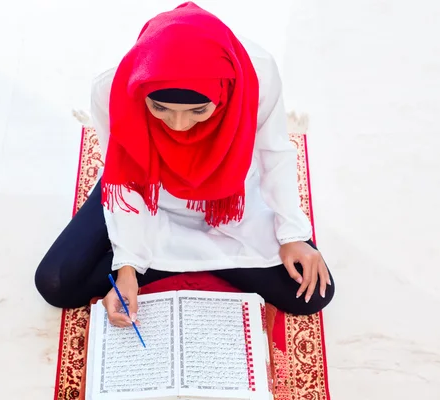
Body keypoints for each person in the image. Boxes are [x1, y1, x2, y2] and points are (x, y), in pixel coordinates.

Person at [35, 2, 335, 326]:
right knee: (56, 284)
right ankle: (174, 254)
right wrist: (127, 267)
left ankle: (173, 255)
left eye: (197, 111)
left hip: (228, 200)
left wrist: (292, 235)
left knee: (312, 293)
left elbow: (273, 152)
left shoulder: (255, 73)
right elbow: (126, 177)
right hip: (148, 190)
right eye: (160, 108)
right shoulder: (113, 86)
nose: (178, 126)